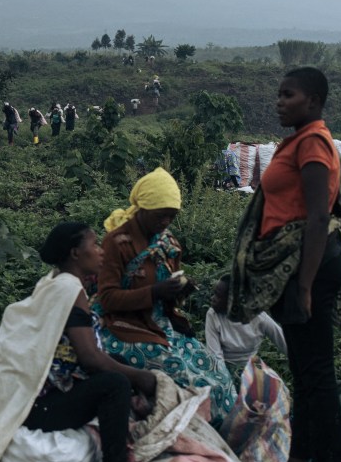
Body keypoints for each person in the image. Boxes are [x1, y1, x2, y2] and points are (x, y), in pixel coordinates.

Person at [227, 67, 341, 462]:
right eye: (279, 94)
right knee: (305, 374)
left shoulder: (314, 144)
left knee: (317, 376)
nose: (279, 101)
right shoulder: (298, 141)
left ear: (314, 102)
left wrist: (303, 286)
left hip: (312, 271)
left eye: (289, 95)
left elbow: (318, 218)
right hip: (297, 270)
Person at [0, 222, 159, 462]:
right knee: (115, 384)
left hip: (39, 399)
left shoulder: (55, 283)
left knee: (117, 362)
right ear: (76, 253)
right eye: (95, 245)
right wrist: (142, 378)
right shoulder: (69, 290)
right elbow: (90, 359)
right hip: (41, 408)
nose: (101, 251)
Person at [93, 167, 236, 427]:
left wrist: (177, 296)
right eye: (161, 216)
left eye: (172, 216)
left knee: (216, 372)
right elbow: (108, 299)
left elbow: (167, 291)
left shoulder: (167, 243)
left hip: (161, 325)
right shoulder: (117, 243)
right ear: (143, 209)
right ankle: (206, 426)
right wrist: (154, 292)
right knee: (186, 375)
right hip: (126, 327)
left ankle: (230, 427)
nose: (166, 222)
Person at [205, 274, 288, 376]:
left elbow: (285, 343)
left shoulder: (258, 317)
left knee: (274, 390)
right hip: (222, 369)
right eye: (214, 294)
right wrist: (225, 382)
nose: (213, 298)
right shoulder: (213, 315)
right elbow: (215, 356)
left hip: (251, 369)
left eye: (218, 296)